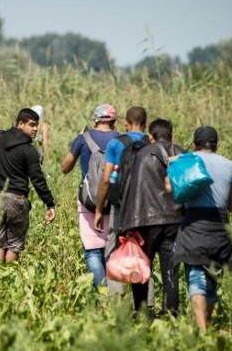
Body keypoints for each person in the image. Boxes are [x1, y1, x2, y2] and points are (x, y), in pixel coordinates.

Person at [169, 126, 232, 332]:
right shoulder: (230, 165)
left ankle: (201, 329)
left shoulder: (186, 160)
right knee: (214, 275)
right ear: (217, 145)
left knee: (196, 272)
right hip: (219, 224)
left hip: (194, 223)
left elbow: (172, 188)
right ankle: (205, 325)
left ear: (194, 144)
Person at [120, 119, 185, 316]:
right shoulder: (181, 153)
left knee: (141, 266)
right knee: (170, 270)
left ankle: (142, 313)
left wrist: (127, 224)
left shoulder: (143, 153)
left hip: (146, 220)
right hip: (175, 219)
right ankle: (171, 313)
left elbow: (131, 187)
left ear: (151, 136)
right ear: (172, 135)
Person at [94, 106, 151, 301]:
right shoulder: (151, 143)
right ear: (146, 124)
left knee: (113, 249)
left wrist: (99, 209)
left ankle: (117, 300)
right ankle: (146, 305)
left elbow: (105, 179)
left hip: (120, 205)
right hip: (146, 207)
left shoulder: (115, 143)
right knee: (144, 253)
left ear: (125, 123)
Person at [0, 108, 56, 262]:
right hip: (17, 199)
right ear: (20, 124)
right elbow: (37, 179)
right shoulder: (29, 150)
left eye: (37, 125)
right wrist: (49, 203)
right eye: (32, 125)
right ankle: (11, 275)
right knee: (14, 245)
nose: (36, 129)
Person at [60, 104, 118, 288]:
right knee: (112, 250)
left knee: (93, 251)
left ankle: (101, 293)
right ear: (115, 122)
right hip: (115, 200)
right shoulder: (120, 140)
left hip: (88, 201)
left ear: (94, 121)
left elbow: (64, 168)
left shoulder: (83, 139)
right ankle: (114, 292)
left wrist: (80, 140)